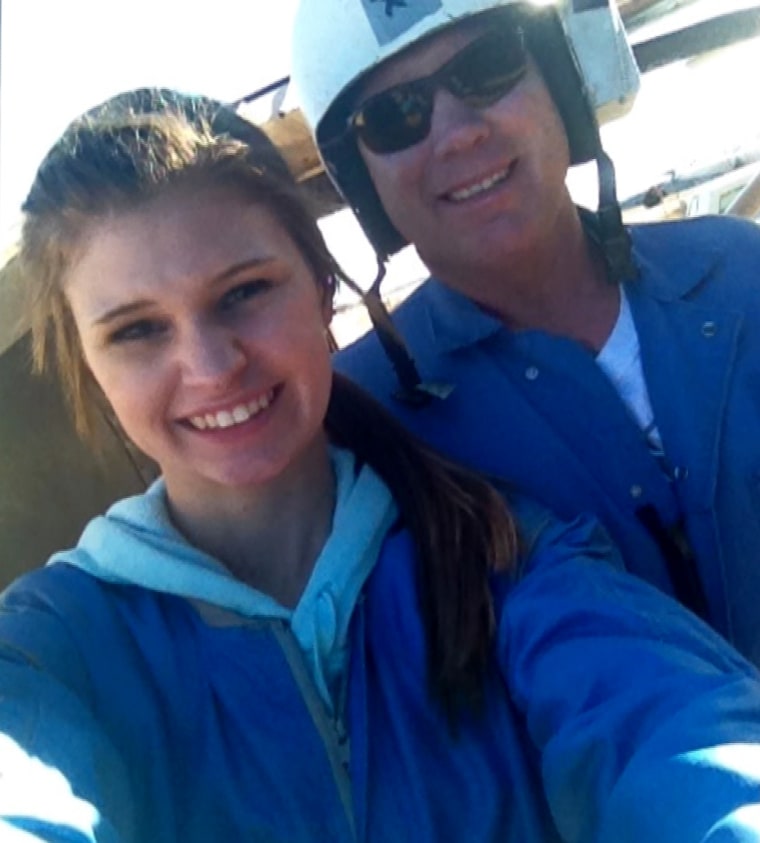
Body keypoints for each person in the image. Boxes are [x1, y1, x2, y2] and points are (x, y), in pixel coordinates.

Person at [4, 87, 760, 843]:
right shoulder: (51, 645)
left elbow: (675, 731)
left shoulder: (501, 556)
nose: (209, 365)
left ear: (323, 289)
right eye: (137, 330)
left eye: (243, 292)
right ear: (85, 364)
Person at [290, 0, 760, 666]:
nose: (457, 135)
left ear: (561, 80)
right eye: (395, 115)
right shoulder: (357, 425)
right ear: (361, 182)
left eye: (487, 66)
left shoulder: (741, 271)